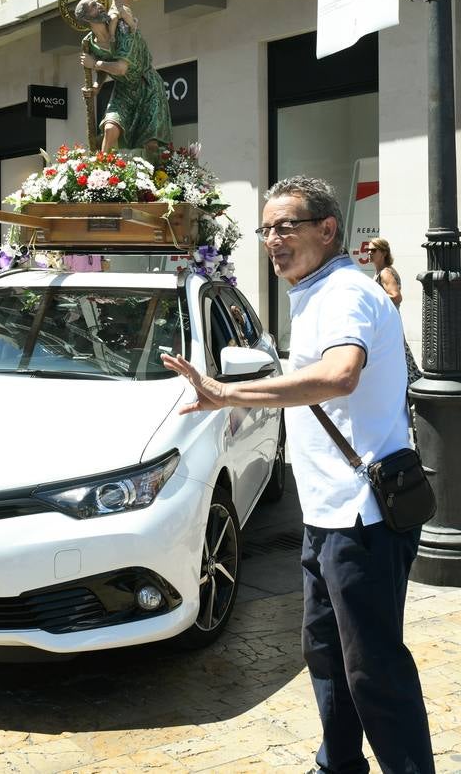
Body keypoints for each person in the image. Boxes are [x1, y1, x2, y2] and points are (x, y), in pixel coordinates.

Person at [162, 176, 433, 774]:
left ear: (328, 229)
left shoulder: (344, 293)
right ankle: (338, 763)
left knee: (373, 667)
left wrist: (229, 393)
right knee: (327, 651)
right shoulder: (314, 292)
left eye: (286, 226)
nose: (272, 240)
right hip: (328, 514)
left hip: (362, 516)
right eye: (266, 229)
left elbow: (340, 375)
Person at [76, 0, 172, 153]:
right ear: (85, 18)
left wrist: (94, 64)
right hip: (123, 89)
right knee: (110, 129)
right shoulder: (88, 43)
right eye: (94, 5)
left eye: (98, 2)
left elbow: (121, 68)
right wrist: (96, 87)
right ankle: (100, 172)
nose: (100, 5)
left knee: (150, 144)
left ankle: (156, 174)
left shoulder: (122, 28)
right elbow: (102, 71)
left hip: (147, 85)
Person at [371, 239, 421, 383]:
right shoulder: (381, 272)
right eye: (368, 250)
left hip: (389, 322)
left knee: (398, 358)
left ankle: (411, 387)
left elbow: (396, 296)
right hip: (388, 322)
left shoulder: (385, 273)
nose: (369, 253)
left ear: (383, 253)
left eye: (373, 250)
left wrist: (373, 299)